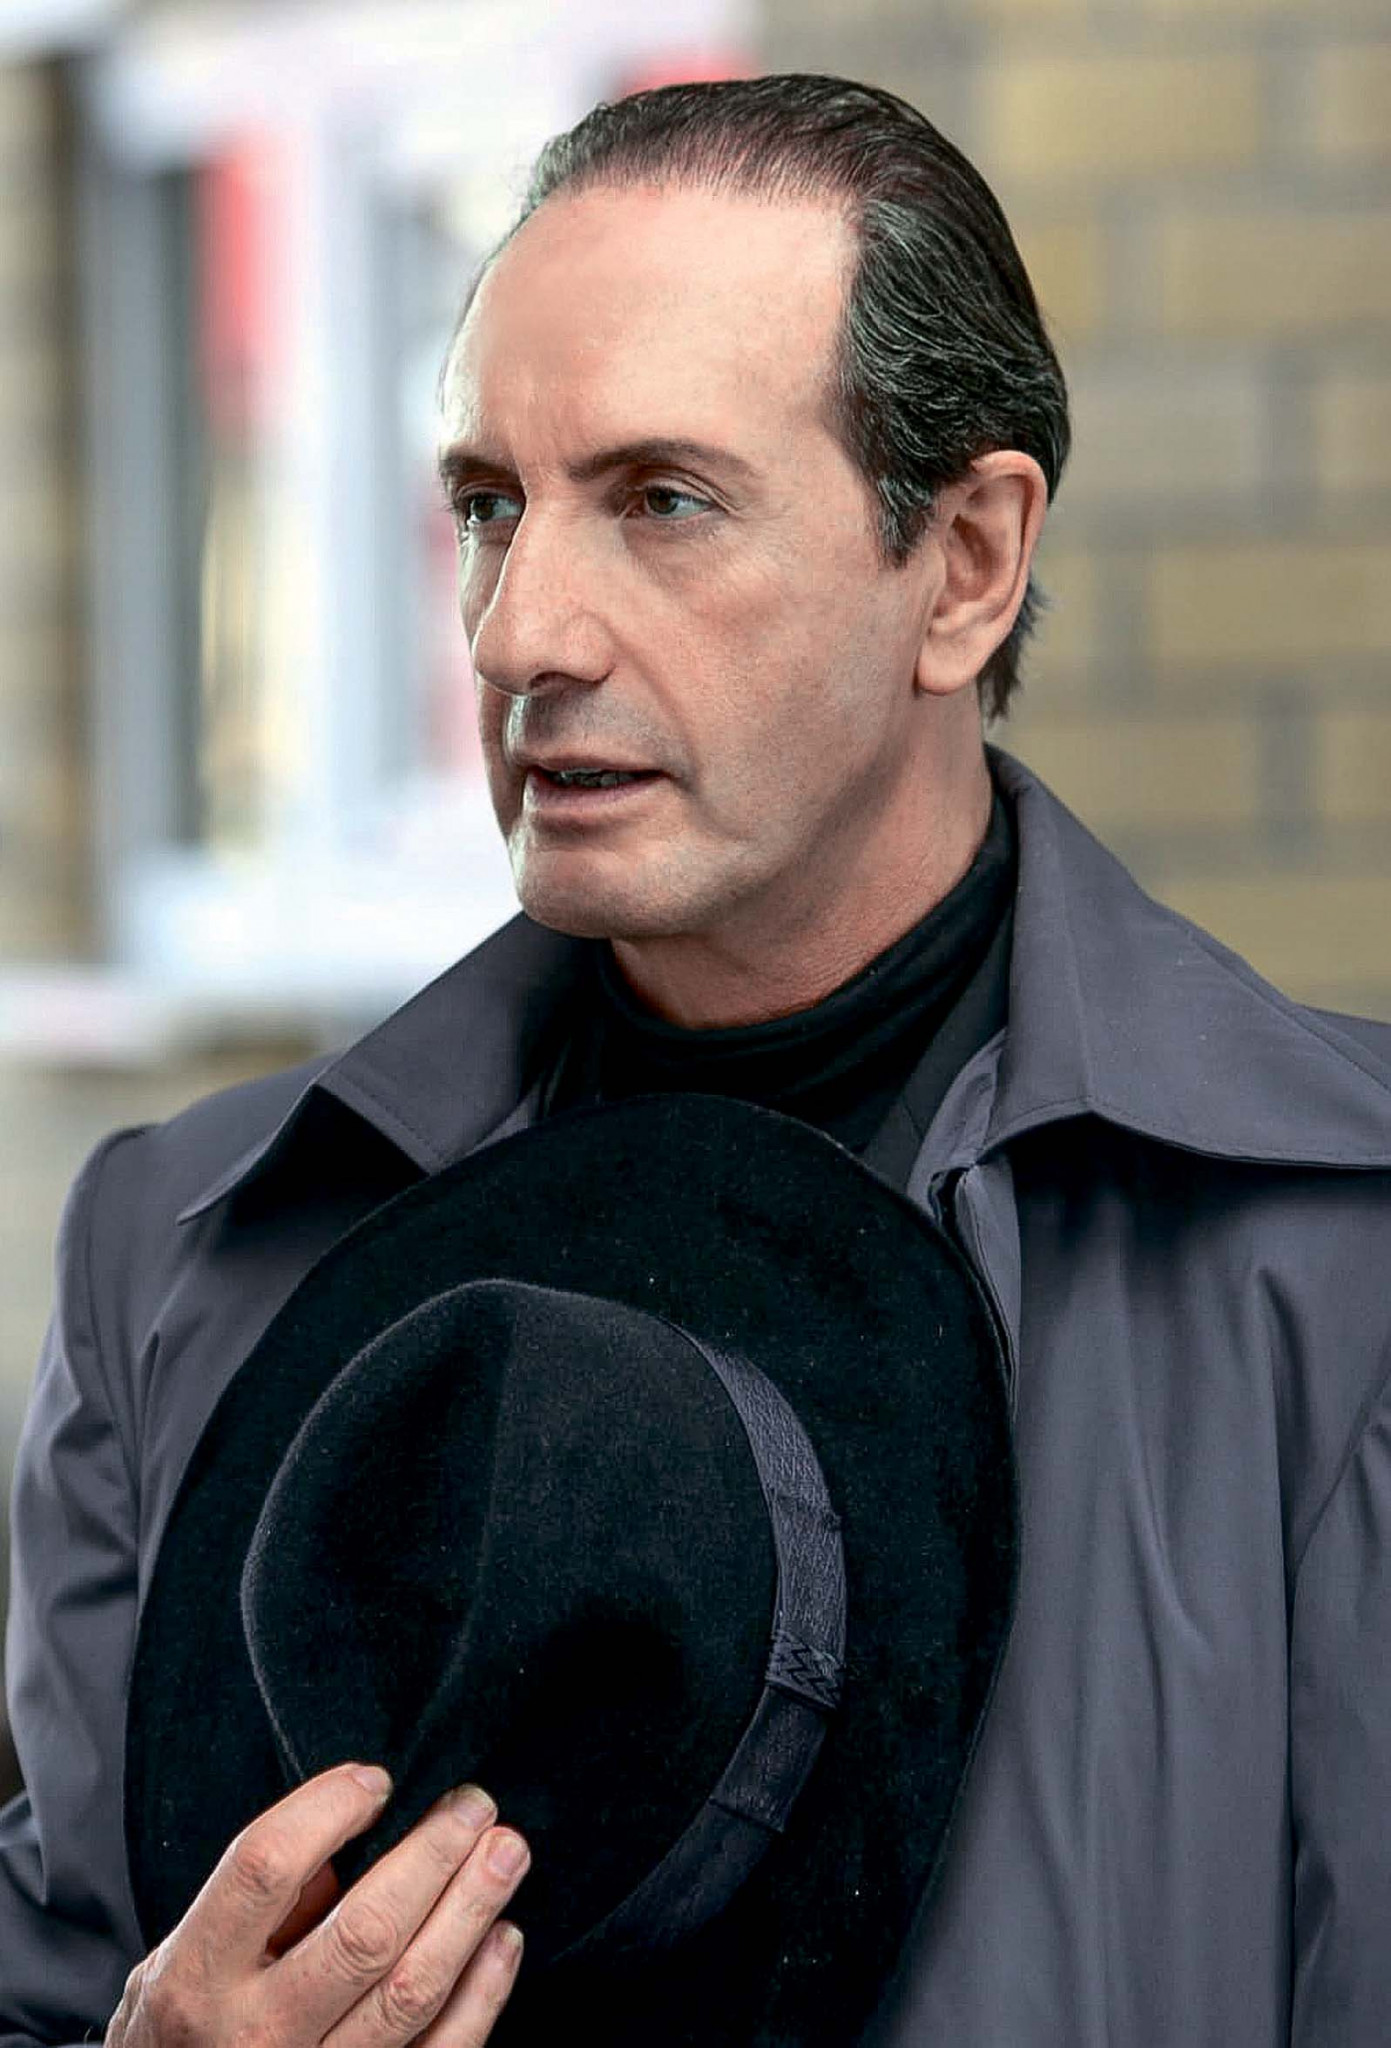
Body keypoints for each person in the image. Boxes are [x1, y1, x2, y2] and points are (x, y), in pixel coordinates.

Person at [2, 71, 1389, 2048]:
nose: (518, 634)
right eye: (488, 506)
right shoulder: (181, 1256)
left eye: (661, 500)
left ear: (966, 562)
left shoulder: (1338, 1269)